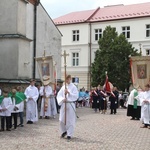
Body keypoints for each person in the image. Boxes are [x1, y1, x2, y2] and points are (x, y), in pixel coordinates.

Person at [57, 75, 78, 141]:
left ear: (70, 79)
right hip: (64, 104)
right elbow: (59, 95)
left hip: (70, 104)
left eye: (68, 79)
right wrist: (63, 99)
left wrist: (69, 93)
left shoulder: (74, 87)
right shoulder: (63, 87)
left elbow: (76, 96)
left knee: (70, 120)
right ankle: (64, 131)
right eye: (66, 79)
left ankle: (69, 134)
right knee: (61, 119)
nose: (67, 81)